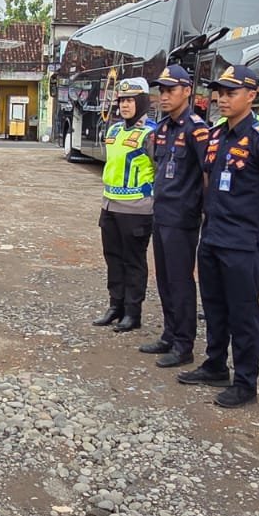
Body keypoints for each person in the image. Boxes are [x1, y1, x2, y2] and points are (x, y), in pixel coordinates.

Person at [175, 65, 259, 408]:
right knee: (213, 307)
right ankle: (215, 364)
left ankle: (245, 381)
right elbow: (209, 177)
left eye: (231, 93)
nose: (222, 99)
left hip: (241, 239)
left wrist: (256, 208)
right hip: (212, 235)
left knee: (242, 312)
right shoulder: (216, 134)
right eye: (220, 93)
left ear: (252, 96)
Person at [136, 65, 207, 366]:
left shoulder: (197, 128)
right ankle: (169, 333)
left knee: (180, 281)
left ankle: (184, 344)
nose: (164, 96)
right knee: (164, 280)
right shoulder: (163, 128)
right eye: (161, 90)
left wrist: (199, 208)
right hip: (162, 213)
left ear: (187, 90)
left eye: (171, 90)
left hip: (183, 218)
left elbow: (207, 173)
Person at [91, 77, 156, 333]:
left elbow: (160, 171)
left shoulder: (151, 134)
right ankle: (114, 306)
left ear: (142, 103)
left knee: (134, 261)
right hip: (110, 206)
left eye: (130, 100)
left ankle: (132, 312)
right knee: (113, 259)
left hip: (137, 209)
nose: (125, 105)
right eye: (122, 100)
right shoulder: (114, 130)